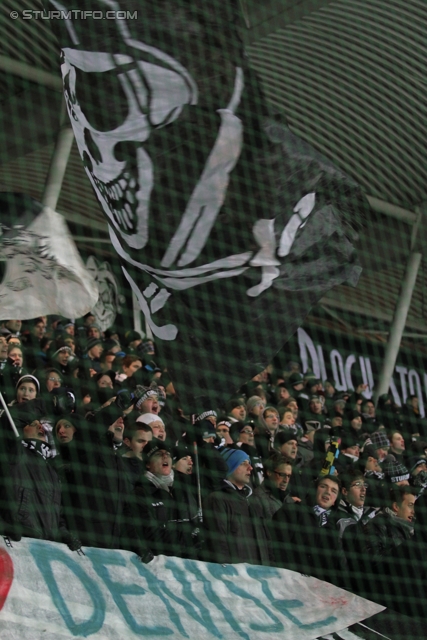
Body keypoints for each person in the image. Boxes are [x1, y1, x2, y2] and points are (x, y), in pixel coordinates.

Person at [0, 399, 80, 551]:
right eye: (32, 423)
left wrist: (64, 534)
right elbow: (9, 418)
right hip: (16, 546)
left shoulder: (53, 472)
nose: (39, 425)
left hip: (44, 551)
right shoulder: (14, 452)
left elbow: (58, 514)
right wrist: (50, 403)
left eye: (40, 424)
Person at [271, 475, 346, 584]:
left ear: (335, 501)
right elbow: (276, 550)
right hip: (285, 582)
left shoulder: (332, 529)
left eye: (334, 491)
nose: (328, 492)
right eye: (323, 486)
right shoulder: (291, 512)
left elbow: (337, 567)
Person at [203, 448, 272, 565]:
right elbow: (218, 544)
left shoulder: (254, 500)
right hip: (237, 577)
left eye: (249, 463)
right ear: (229, 467)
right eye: (243, 463)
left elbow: (267, 541)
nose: (250, 468)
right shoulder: (217, 499)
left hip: (261, 574)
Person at [251, 453, 295, 518]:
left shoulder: (288, 498)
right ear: (269, 472)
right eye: (282, 475)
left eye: (289, 476)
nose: (286, 480)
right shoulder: (257, 499)